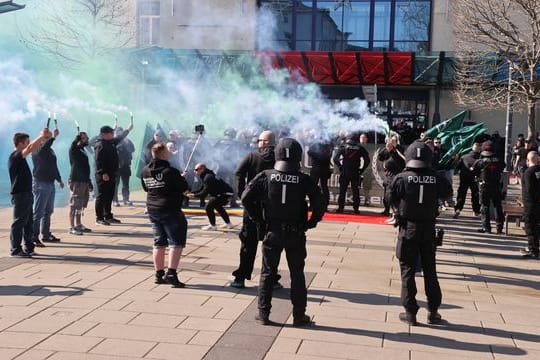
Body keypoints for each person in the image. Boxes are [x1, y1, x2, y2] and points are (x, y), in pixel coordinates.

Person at [241, 138, 325, 326]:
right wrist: (312, 222)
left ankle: (263, 313)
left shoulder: (266, 175)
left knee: (267, 273)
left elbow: (246, 197)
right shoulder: (303, 178)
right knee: (297, 274)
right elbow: (320, 201)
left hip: (273, 230)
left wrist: (258, 219)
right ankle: (298, 315)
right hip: (296, 232)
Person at [389, 140, 452, 325]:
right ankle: (433, 311)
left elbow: (390, 198)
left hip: (408, 228)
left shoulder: (402, 178)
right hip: (428, 229)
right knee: (430, 270)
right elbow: (447, 192)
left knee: (407, 270)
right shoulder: (436, 177)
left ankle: (410, 312)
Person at [231, 130, 281, 289]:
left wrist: (242, 194)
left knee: (248, 242)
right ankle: (271, 278)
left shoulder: (252, 156)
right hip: (273, 206)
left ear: (264, 142)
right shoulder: (280, 158)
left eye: (259, 140)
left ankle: (241, 277)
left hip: (252, 205)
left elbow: (238, 173)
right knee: (272, 244)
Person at [141, 143, 189, 287]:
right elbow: (183, 187)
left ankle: (159, 274)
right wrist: (182, 178)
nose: (169, 153)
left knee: (159, 242)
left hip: (153, 209)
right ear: (162, 154)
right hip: (170, 209)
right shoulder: (170, 171)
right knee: (176, 242)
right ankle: (172, 274)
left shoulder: (145, 170)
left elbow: (146, 187)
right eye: (167, 151)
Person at [8, 129, 48, 257]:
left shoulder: (20, 157)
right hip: (20, 194)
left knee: (28, 222)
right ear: (20, 143)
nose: (29, 144)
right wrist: (41, 136)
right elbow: (31, 148)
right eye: (27, 142)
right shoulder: (15, 156)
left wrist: (45, 139)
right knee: (19, 222)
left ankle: (29, 247)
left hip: (27, 193)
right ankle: (15, 249)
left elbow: (31, 147)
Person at [31, 126, 64, 247]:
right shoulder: (36, 148)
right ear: (41, 137)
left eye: (48, 137)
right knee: (39, 212)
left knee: (48, 210)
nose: (48, 139)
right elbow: (44, 148)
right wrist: (53, 137)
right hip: (40, 182)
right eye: (46, 137)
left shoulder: (50, 150)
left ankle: (46, 234)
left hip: (50, 182)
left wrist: (59, 179)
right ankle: (34, 236)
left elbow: (53, 166)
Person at [94, 123, 133, 225]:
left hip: (112, 173)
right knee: (101, 196)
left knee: (110, 195)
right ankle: (99, 218)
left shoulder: (110, 142)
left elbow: (119, 138)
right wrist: (103, 173)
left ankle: (108, 215)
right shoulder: (100, 145)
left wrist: (128, 130)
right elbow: (98, 161)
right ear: (104, 134)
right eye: (110, 133)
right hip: (104, 175)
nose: (112, 134)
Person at [471, 141, 505, 234]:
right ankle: (499, 227)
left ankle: (486, 228)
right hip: (496, 185)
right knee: (497, 206)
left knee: (484, 206)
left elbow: (473, 171)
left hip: (484, 186)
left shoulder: (480, 161)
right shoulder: (499, 161)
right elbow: (503, 167)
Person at [188, 163, 234, 230]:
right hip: (223, 193)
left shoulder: (208, 177)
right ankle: (228, 224)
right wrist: (191, 193)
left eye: (196, 169)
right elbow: (202, 189)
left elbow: (204, 193)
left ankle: (213, 226)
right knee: (218, 206)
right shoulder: (205, 176)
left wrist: (194, 195)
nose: (195, 171)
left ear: (202, 169)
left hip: (225, 194)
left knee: (208, 207)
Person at [332, 133, 370, 213]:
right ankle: (356, 209)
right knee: (355, 191)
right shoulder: (360, 147)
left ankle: (340, 208)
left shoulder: (343, 146)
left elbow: (335, 158)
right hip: (355, 171)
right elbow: (367, 160)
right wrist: (362, 169)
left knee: (342, 190)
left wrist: (340, 166)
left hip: (345, 171)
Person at [68, 131, 93, 235]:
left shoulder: (82, 149)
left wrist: (89, 182)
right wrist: (77, 139)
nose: (87, 139)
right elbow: (73, 146)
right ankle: (72, 227)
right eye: (85, 138)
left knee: (81, 204)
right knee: (75, 203)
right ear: (79, 139)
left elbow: (85, 168)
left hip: (84, 181)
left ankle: (78, 224)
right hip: (77, 181)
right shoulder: (74, 149)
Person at [377, 136, 406, 217]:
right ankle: (387, 210)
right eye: (390, 141)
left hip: (397, 176)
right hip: (388, 176)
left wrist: (394, 148)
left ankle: (396, 213)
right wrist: (387, 148)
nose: (391, 142)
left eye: (393, 141)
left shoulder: (400, 149)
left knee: (395, 196)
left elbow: (402, 158)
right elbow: (380, 157)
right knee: (387, 195)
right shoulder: (387, 149)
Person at [520, 151, 540, 258]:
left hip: (530, 204)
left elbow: (529, 189)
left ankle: (533, 250)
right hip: (538, 204)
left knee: (530, 227)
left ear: (528, 160)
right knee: (536, 226)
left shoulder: (528, 172)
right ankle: (534, 248)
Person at [453, 142, 481, 218]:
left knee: (461, 194)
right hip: (475, 179)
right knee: (475, 195)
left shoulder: (464, 157)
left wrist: (456, 160)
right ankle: (476, 211)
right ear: (479, 149)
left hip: (464, 178)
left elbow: (457, 168)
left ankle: (458, 209)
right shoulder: (480, 158)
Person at [113, 127, 135, 207]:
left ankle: (126, 199)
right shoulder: (114, 141)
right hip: (116, 166)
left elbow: (133, 149)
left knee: (126, 184)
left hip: (126, 166)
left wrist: (126, 145)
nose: (120, 133)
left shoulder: (128, 141)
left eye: (121, 132)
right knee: (116, 184)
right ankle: (115, 200)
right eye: (118, 132)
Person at [307, 138, 333, 206]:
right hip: (324, 168)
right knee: (323, 186)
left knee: (316, 186)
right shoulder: (329, 145)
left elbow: (310, 152)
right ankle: (324, 204)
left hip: (317, 168)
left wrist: (317, 155)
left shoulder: (316, 145)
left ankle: (313, 204)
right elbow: (309, 152)